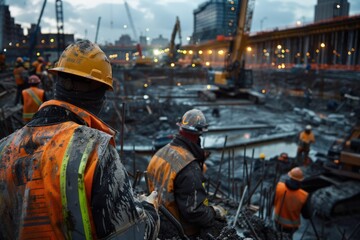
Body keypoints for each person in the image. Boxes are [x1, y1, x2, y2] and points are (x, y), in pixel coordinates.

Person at [0, 40, 159, 240]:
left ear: (57, 82)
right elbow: (130, 235)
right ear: (100, 94)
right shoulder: (94, 149)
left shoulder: (4, 148)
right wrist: (150, 211)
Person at [147, 109, 227, 239]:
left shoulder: (161, 153)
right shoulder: (188, 166)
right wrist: (214, 212)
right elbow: (193, 212)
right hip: (180, 230)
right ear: (200, 133)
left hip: (158, 222)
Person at [273, 167, 311, 237]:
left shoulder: (279, 186)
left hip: (277, 221)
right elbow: (306, 215)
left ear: (290, 176)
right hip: (291, 227)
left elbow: (273, 202)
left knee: (277, 236)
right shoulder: (304, 195)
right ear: (300, 180)